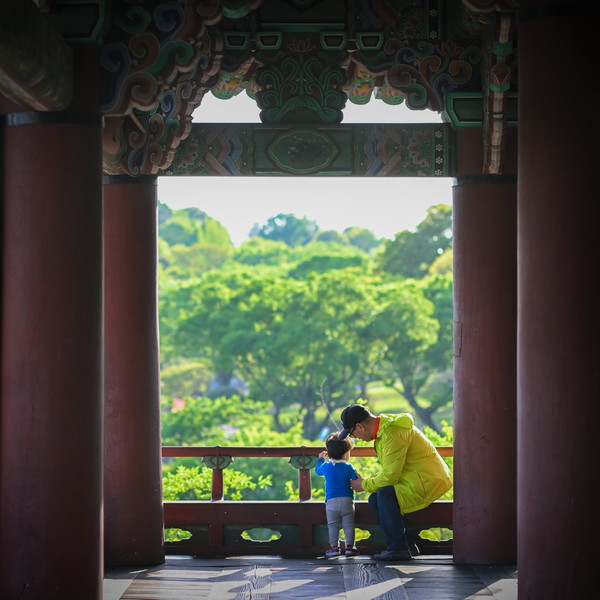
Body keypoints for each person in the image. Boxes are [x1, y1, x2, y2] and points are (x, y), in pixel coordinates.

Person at [338, 403, 452, 561]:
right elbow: (391, 470)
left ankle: (398, 548)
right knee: (376, 498)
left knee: (384, 494)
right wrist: (369, 482)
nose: (355, 438)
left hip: (427, 482)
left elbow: (390, 476)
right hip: (417, 479)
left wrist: (364, 484)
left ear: (359, 426)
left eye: (352, 434)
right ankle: (406, 545)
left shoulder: (392, 433)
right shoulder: (385, 430)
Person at [315, 432, 360, 557]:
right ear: (346, 454)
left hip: (331, 502)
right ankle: (350, 547)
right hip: (347, 501)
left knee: (333, 525)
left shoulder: (326, 467)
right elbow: (356, 480)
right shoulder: (349, 467)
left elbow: (317, 471)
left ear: (328, 453)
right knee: (349, 524)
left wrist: (320, 459)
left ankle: (334, 548)